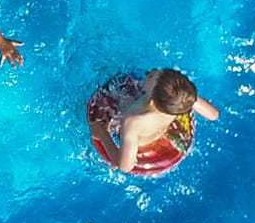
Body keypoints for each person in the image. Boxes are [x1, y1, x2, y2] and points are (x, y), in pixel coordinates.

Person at [88, 68, 220, 173]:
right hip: (159, 129)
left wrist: (103, 135)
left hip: (141, 142)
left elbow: (125, 166)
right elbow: (214, 115)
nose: (154, 70)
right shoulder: (182, 97)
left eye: (151, 76)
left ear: (152, 101)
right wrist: (192, 99)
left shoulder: (133, 120)